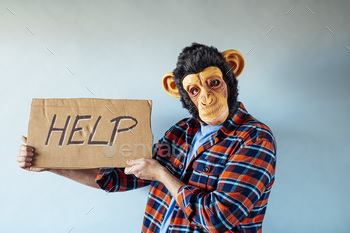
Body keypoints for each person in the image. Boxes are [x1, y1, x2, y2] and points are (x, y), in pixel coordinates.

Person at [17, 43, 276, 233]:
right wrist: (52, 163)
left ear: (230, 73)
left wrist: (162, 174)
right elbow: (119, 177)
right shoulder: (181, 131)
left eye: (214, 83)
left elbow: (217, 218)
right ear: (180, 93)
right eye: (195, 90)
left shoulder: (255, 138)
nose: (207, 98)